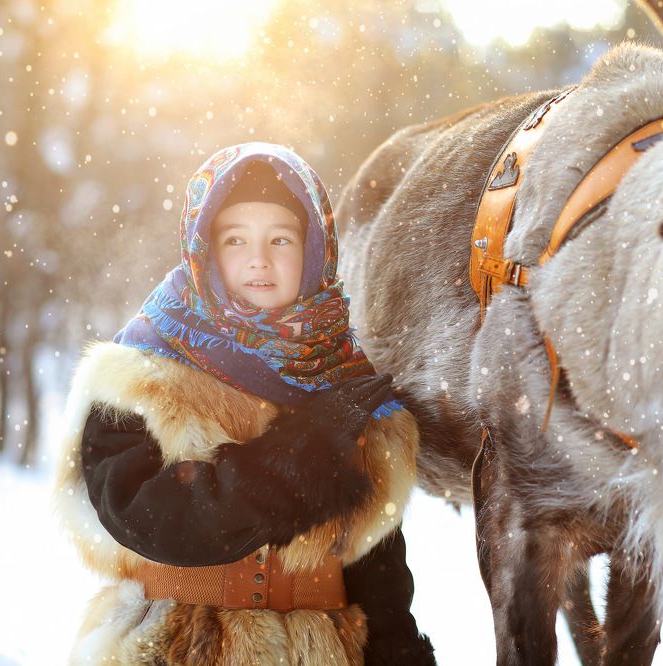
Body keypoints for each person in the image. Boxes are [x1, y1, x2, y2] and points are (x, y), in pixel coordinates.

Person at [53, 142, 436, 665]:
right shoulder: (137, 377)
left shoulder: (345, 382)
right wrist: (298, 457)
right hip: (172, 647)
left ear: (315, 250)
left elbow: (377, 568)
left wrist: (399, 650)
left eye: (282, 239)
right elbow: (152, 522)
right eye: (235, 239)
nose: (259, 259)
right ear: (204, 249)